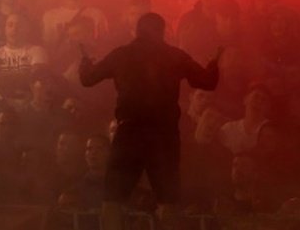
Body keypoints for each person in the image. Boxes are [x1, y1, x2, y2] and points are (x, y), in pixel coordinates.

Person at [79, 12, 220, 229]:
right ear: (162, 32)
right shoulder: (175, 55)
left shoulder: (121, 55)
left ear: (137, 31)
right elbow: (208, 82)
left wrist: (85, 61)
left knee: (112, 200)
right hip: (163, 136)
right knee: (168, 201)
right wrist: (214, 63)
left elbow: (87, 79)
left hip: (129, 132)